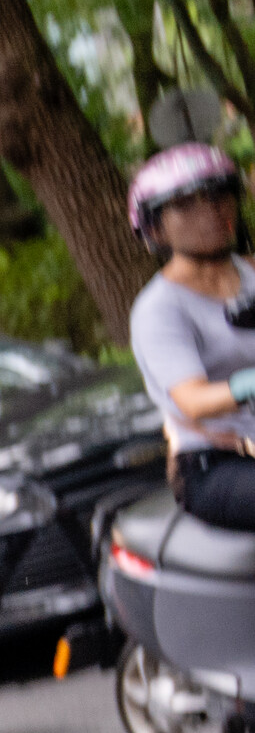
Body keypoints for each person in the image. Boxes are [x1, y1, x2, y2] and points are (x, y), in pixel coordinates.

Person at [127, 142, 255, 528]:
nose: (211, 210)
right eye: (185, 205)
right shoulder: (160, 308)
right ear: (155, 226)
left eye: (219, 195)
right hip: (213, 465)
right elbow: (194, 400)